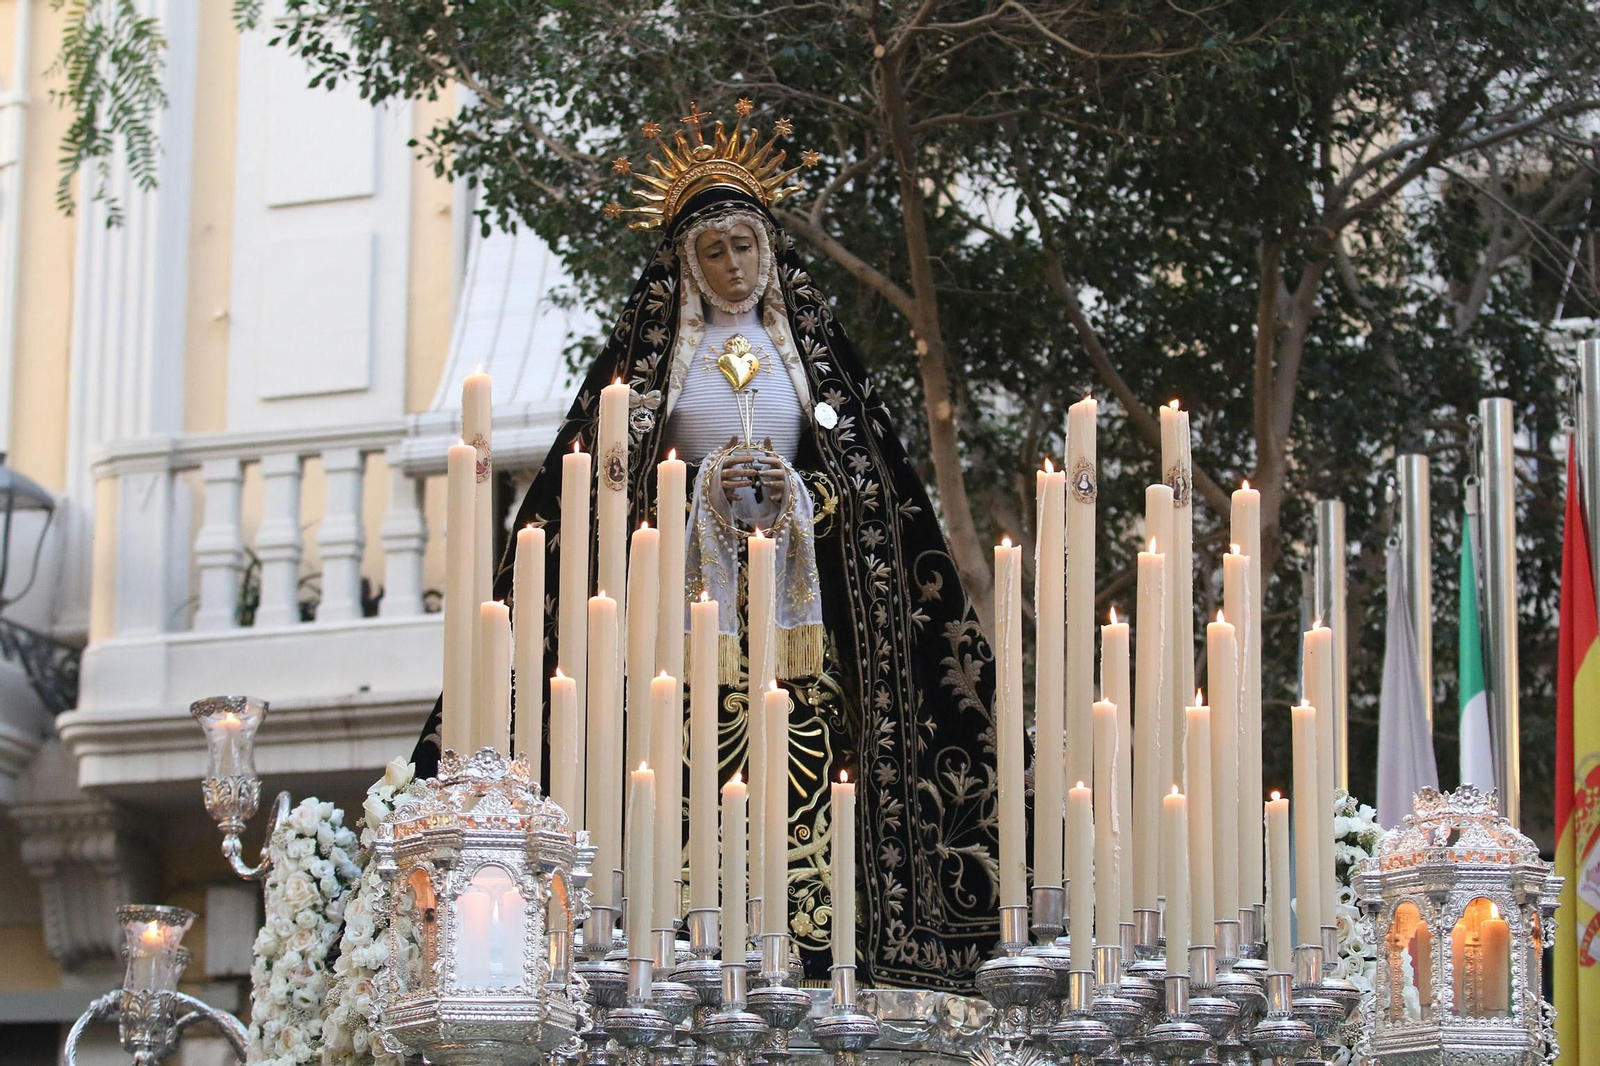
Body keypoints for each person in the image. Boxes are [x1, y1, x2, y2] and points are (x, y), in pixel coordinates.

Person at [413, 103, 999, 989]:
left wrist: (798, 495)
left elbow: (877, 495)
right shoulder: (653, 370)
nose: (732, 265)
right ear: (688, 262)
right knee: (685, 788)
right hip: (685, 651)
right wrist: (693, 498)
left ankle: (819, 957)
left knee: (812, 787)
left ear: (770, 250)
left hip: (803, 646)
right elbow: (603, 491)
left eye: (745, 247)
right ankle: (684, 952)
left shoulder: (814, 359)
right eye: (714, 251)